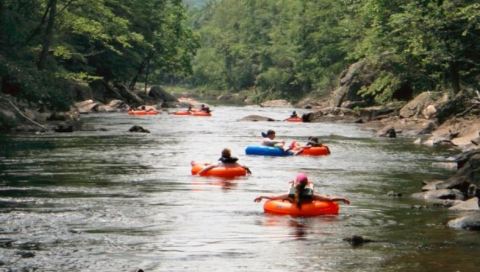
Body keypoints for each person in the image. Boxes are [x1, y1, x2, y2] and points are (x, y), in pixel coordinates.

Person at [254, 173, 350, 208]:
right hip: (309, 212)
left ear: (296, 183)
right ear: (306, 183)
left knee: (290, 192)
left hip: (293, 211)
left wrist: (262, 196)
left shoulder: (290, 193)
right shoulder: (311, 194)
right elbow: (329, 199)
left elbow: (273, 197)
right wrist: (342, 198)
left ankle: (294, 184)